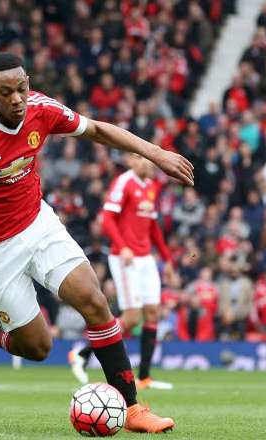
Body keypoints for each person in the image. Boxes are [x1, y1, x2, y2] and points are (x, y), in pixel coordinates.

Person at [0, 53, 193, 433]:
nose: (17, 99)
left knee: (94, 300)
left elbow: (97, 130)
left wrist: (155, 153)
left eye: (22, 88)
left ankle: (132, 409)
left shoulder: (41, 109)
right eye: (6, 92)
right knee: (37, 348)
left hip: (38, 224)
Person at [70, 154, 175, 390]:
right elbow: (107, 219)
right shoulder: (124, 182)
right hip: (125, 258)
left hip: (146, 258)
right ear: (132, 161)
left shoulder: (151, 186)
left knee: (153, 313)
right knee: (132, 317)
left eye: (150, 159)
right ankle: (82, 354)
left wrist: (167, 259)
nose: (148, 163)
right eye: (143, 158)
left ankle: (145, 377)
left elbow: (153, 228)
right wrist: (123, 246)